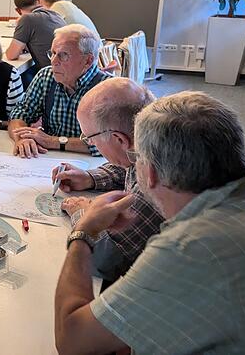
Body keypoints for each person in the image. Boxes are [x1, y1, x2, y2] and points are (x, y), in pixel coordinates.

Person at [54, 91, 245, 354]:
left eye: (137, 160)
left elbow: (72, 341)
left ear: (151, 172)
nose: (133, 166)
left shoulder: (186, 249)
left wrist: (83, 232)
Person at [51, 78, 164, 282]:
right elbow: (128, 164)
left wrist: (83, 215)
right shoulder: (151, 137)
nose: (90, 143)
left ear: (119, 139)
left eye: (90, 138)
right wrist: (89, 178)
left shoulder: (155, 183)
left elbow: (101, 259)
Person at [8, 24, 108, 158]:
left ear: (88, 60)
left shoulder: (106, 89)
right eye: (53, 53)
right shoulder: (46, 77)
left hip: (90, 166)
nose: (54, 62)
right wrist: (22, 138)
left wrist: (51, 141)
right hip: (47, 160)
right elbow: (19, 114)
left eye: (63, 55)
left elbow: (106, 144)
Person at [4, 0, 66, 84]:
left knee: (18, 76)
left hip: (52, 78)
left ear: (17, 10)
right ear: (38, 1)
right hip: (66, 73)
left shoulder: (27, 19)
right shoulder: (56, 15)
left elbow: (11, 55)